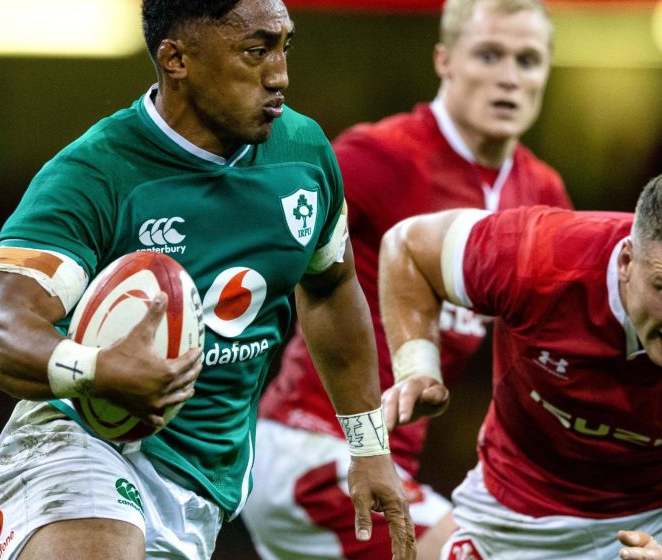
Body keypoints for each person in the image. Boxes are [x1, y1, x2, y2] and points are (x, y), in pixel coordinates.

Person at [0, 1, 416, 559]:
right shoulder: (95, 174)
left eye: (284, 47)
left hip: (204, 480)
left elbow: (329, 287)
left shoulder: (303, 155)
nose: (280, 75)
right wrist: (97, 370)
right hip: (77, 443)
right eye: (255, 52)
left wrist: (368, 446)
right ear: (176, 59)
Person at [241, 0, 571, 558]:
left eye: (528, 60)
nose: (510, 77)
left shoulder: (542, 196)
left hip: (391, 465)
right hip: (314, 447)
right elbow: (257, 246)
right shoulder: (380, 157)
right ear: (444, 59)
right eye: (489, 55)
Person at [379, 169, 662, 560]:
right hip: (517, 510)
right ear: (626, 263)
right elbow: (408, 248)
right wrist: (417, 364)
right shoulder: (538, 257)